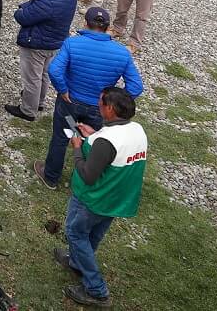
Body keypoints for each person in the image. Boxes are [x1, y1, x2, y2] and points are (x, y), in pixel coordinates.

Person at [34, 7, 143, 192]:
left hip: (70, 103)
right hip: (99, 108)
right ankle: (89, 176)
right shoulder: (122, 53)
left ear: (86, 23)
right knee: (94, 139)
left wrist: (63, 89)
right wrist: (111, 103)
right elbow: (136, 87)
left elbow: (54, 70)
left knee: (61, 138)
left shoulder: (72, 44)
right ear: (108, 28)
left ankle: (51, 176)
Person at [57, 88, 148, 307]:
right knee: (94, 234)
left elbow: (88, 175)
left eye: (101, 103)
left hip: (94, 199)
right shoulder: (136, 129)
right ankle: (77, 263)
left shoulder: (106, 141)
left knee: (76, 233)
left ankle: (96, 290)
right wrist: (93, 135)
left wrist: (78, 148)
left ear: (111, 108)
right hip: (118, 198)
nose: (98, 105)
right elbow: (111, 150)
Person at [4, 0, 76, 122]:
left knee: (32, 79)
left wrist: (19, 10)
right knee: (43, 74)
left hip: (37, 44)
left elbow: (23, 17)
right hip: (54, 42)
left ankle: (28, 110)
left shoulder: (47, 1)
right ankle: (39, 102)